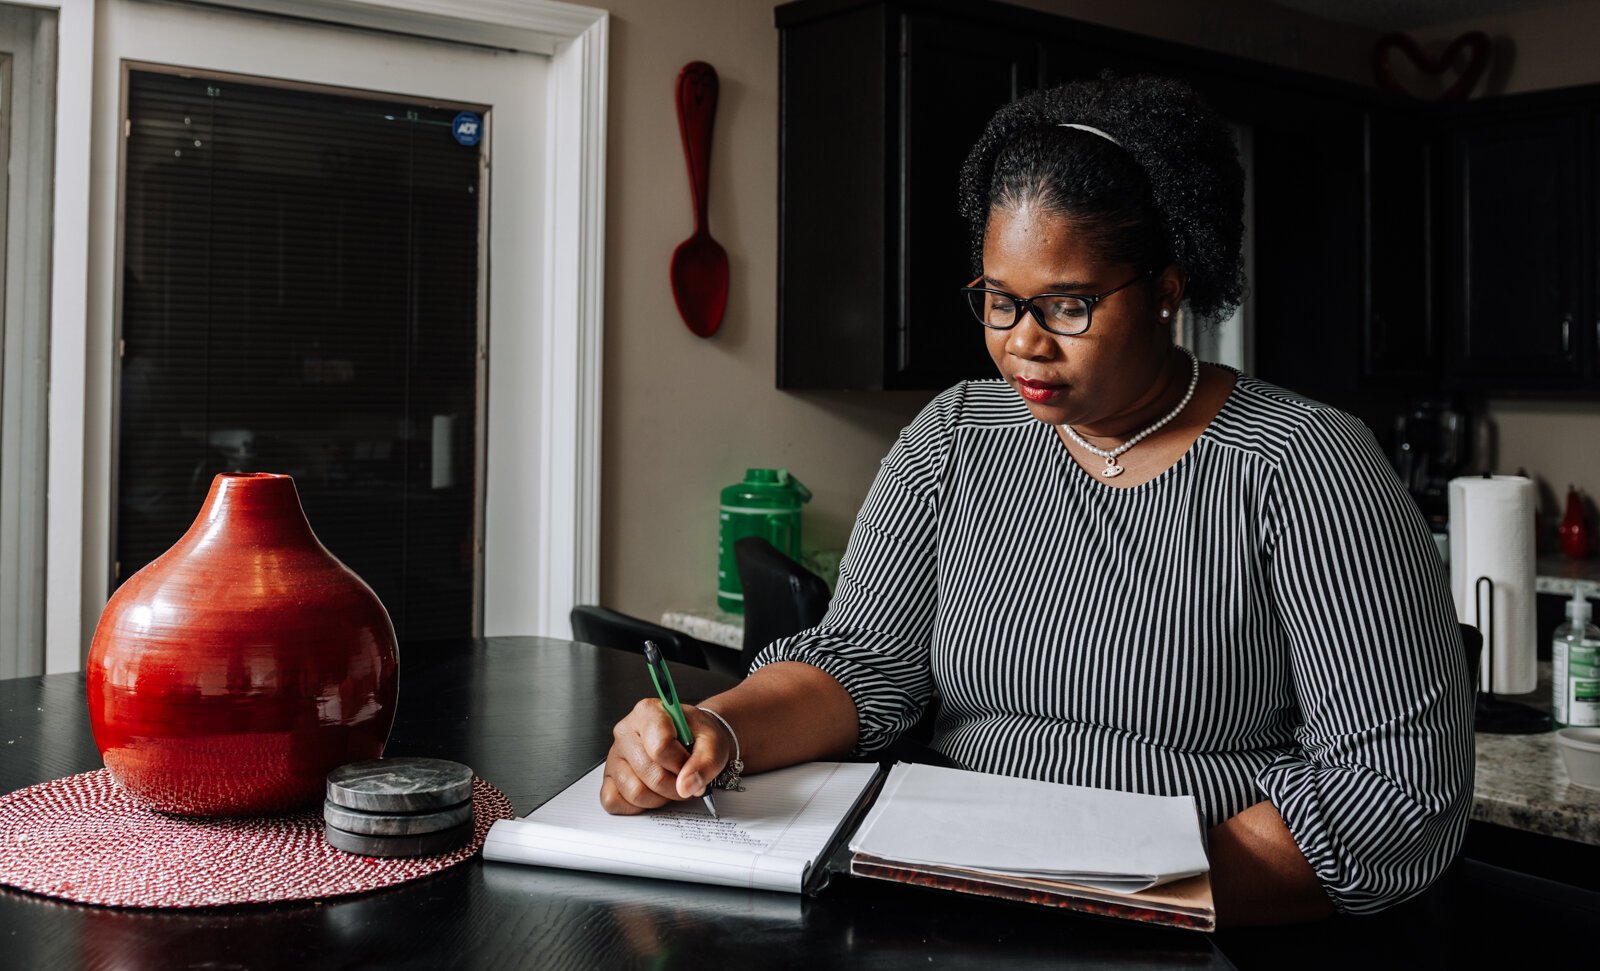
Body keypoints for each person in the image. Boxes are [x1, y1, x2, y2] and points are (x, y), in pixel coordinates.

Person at [601, 75, 1473, 942]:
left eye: (1068, 304)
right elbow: (860, 661)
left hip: (1189, 922)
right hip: (943, 900)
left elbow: (1394, 793)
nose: (1023, 339)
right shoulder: (954, 435)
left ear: (1168, 286)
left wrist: (1122, 899)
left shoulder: (1306, 465)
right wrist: (717, 727)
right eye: (999, 298)